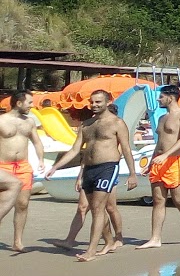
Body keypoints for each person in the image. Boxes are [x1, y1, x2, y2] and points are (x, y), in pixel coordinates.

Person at [44, 90, 136, 261]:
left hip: (108, 167)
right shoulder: (86, 124)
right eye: (92, 102)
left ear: (108, 102)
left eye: (98, 102)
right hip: (89, 170)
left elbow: (126, 148)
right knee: (94, 209)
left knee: (99, 208)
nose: (94, 105)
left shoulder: (117, 123)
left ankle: (91, 250)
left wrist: (132, 174)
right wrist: (55, 167)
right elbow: (75, 150)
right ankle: (108, 241)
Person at [137, 85, 180, 249]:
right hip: (159, 161)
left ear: (170, 97)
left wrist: (166, 155)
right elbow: (159, 142)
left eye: (161, 96)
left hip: (175, 161)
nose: (158, 99)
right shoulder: (162, 118)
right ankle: (155, 238)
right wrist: (152, 162)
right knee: (158, 200)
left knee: (179, 199)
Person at [0, 90, 47, 253]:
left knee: (23, 204)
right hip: (3, 166)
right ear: (19, 103)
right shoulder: (1, 121)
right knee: (3, 204)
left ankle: (17, 242)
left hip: (23, 167)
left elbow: (37, 142)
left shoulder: (30, 122)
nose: (32, 106)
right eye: (29, 103)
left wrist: (41, 159)